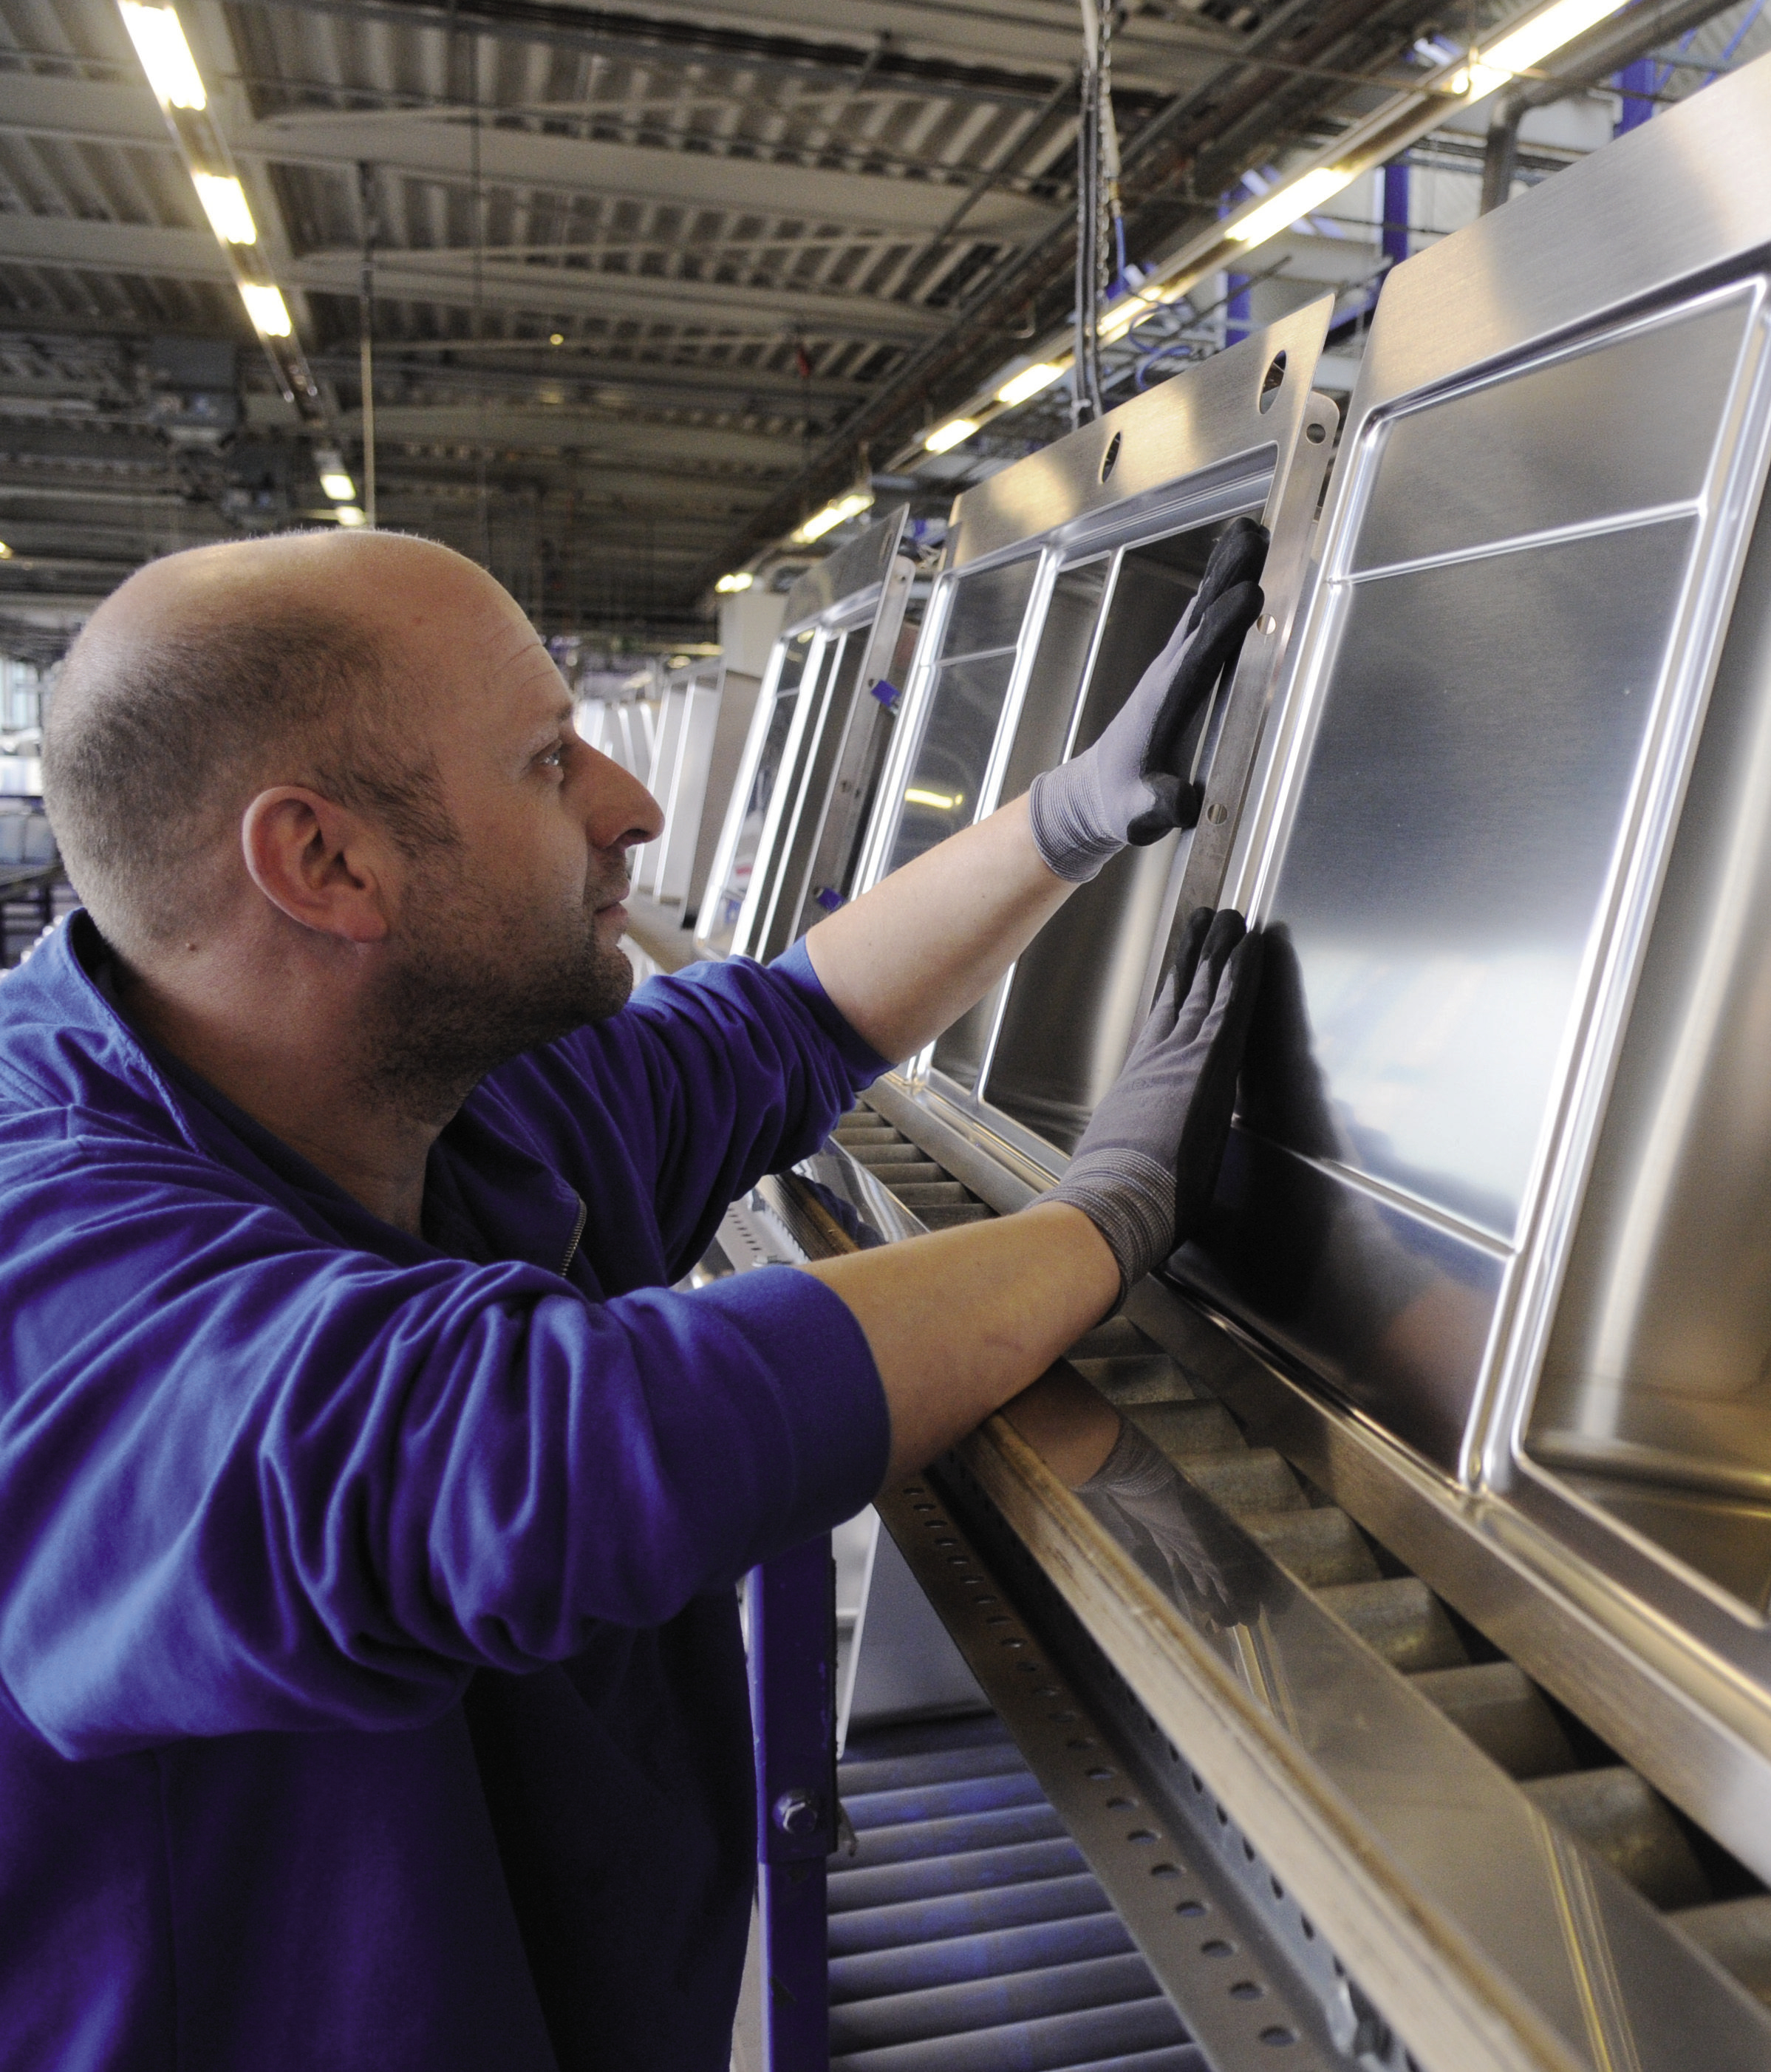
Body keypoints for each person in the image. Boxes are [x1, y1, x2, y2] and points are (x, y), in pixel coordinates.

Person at [0, 519, 1268, 2070]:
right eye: (549, 764)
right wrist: (1101, 1222)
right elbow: (544, 1452)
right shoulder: (53, 1265)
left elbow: (781, 1028)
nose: (634, 806)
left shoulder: (410, 1087)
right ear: (324, 861)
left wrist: (1063, 820)